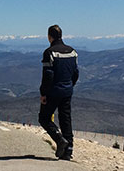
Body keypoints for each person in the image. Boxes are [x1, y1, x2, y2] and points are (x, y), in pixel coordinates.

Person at [40, 25, 78, 161]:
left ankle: (59, 139)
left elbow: (48, 75)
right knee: (65, 119)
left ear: (49, 36)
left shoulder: (49, 52)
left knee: (44, 118)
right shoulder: (72, 51)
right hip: (67, 90)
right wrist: (70, 85)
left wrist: (43, 93)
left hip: (53, 91)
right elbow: (75, 73)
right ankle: (68, 151)